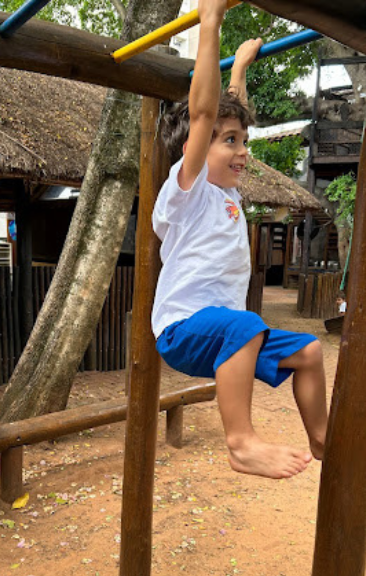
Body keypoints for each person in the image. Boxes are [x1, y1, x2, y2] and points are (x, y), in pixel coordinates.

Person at [153, 0, 327, 479]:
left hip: (227, 336)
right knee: (244, 322)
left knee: (309, 353)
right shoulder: (188, 189)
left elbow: (226, 110)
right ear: (194, 146)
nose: (243, 151)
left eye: (243, 141)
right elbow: (206, 111)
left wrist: (242, 68)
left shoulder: (228, 192)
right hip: (183, 329)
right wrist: (210, 21)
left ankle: (322, 438)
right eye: (230, 141)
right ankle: (241, 442)